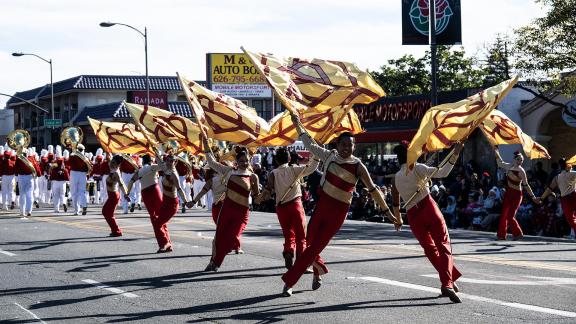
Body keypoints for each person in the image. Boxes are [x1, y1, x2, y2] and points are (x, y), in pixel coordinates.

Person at [281, 114, 400, 297]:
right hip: (322, 206)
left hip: (338, 213)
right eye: (344, 144)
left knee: (313, 248)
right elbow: (309, 143)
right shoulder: (329, 156)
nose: (347, 148)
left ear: (354, 146)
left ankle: (289, 282)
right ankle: (317, 270)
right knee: (309, 246)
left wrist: (389, 213)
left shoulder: (359, 166)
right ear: (337, 145)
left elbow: (373, 190)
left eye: (350, 145)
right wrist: (298, 124)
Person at [392, 141, 464, 303]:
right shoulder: (418, 168)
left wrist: (398, 219)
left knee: (430, 250)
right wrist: (456, 153)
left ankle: (449, 281)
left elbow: (396, 203)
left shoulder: (396, 177)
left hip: (412, 215)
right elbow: (444, 173)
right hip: (428, 208)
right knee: (443, 246)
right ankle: (447, 284)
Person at [203, 139, 261, 272]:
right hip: (227, 209)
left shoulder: (253, 177)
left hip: (242, 212)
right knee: (219, 238)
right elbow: (212, 163)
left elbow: (257, 198)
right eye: (242, 161)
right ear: (236, 161)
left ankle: (216, 263)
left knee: (232, 239)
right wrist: (206, 146)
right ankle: (214, 262)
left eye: (247, 161)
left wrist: (266, 194)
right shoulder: (229, 171)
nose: (245, 163)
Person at [259, 147, 319, 269]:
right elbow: (312, 168)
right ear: (290, 158)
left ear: (276, 160)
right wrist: (316, 156)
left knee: (288, 235)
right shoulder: (294, 169)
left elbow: (268, 190)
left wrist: (260, 197)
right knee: (301, 236)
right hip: (295, 205)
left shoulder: (273, 173)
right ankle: (301, 264)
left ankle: (288, 251)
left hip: (281, 208)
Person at [495, 149, 541, 240]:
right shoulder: (509, 166)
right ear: (514, 159)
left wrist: (533, 197)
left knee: (510, 216)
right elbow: (499, 163)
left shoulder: (521, 171)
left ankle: (518, 234)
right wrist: (495, 150)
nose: (520, 161)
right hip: (508, 193)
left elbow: (526, 185)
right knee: (504, 214)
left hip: (517, 195)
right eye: (518, 159)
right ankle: (501, 235)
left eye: (521, 160)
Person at [153, 153, 193, 253]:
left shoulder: (174, 174)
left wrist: (186, 201)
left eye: (172, 161)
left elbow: (179, 189)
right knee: (161, 224)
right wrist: (154, 150)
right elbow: (159, 161)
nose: (170, 162)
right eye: (168, 160)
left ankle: (165, 244)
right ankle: (167, 245)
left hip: (172, 204)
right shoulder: (166, 168)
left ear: (175, 162)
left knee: (157, 223)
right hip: (165, 201)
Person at [126, 153, 165, 248]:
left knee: (153, 216)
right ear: (151, 160)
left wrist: (127, 193)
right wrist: (158, 156)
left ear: (143, 161)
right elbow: (163, 167)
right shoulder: (152, 166)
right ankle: (164, 236)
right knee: (160, 215)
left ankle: (161, 239)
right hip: (154, 190)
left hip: (145, 192)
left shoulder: (139, 171)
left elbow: (131, 181)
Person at [541, 157, 576, 238]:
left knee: (571, 219)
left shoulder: (557, 177)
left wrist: (542, 198)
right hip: (573, 196)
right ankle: (572, 234)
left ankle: (573, 234)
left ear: (560, 166)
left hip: (565, 199)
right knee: (572, 219)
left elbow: (549, 189)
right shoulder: (573, 173)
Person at [102, 155, 130, 237]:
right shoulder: (112, 168)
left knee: (107, 213)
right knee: (106, 212)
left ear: (118, 165)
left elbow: (121, 184)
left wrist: (125, 194)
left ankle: (117, 231)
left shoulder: (116, 173)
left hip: (114, 196)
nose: (111, 163)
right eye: (111, 161)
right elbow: (108, 157)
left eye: (113, 162)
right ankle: (115, 230)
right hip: (111, 195)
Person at [14, 148, 42, 217]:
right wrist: (38, 174)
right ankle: (29, 211)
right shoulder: (32, 159)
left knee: (22, 195)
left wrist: (16, 176)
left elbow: (16, 169)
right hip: (29, 178)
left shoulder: (19, 159)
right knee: (29, 195)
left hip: (21, 177)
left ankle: (22, 211)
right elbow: (37, 168)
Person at [68, 144, 92, 215]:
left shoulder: (73, 155)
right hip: (83, 175)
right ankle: (84, 206)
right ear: (83, 150)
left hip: (74, 174)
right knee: (82, 192)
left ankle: (76, 210)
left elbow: (69, 163)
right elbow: (90, 167)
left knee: (74, 192)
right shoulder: (86, 157)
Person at [50, 148, 69, 213]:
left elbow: (51, 171)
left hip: (55, 181)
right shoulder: (64, 161)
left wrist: (51, 178)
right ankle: (63, 202)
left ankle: (56, 209)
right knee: (62, 194)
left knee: (56, 195)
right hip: (63, 182)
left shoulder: (54, 162)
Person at [2, 146, 16, 210]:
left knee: (4, 191)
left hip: (4, 177)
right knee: (11, 191)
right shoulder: (13, 162)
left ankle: (5, 205)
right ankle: (12, 201)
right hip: (12, 177)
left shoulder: (2, 162)